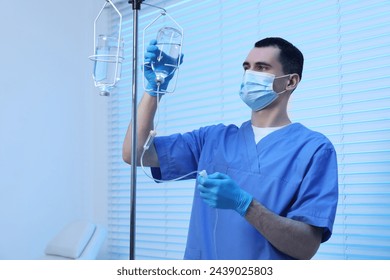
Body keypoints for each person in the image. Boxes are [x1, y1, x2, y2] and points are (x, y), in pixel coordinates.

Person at [123, 37, 338, 260]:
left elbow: (306, 247)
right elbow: (134, 153)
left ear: (290, 81)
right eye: (247, 67)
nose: (250, 74)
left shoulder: (314, 150)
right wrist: (154, 89)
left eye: (262, 68)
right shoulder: (213, 139)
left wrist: (245, 205)